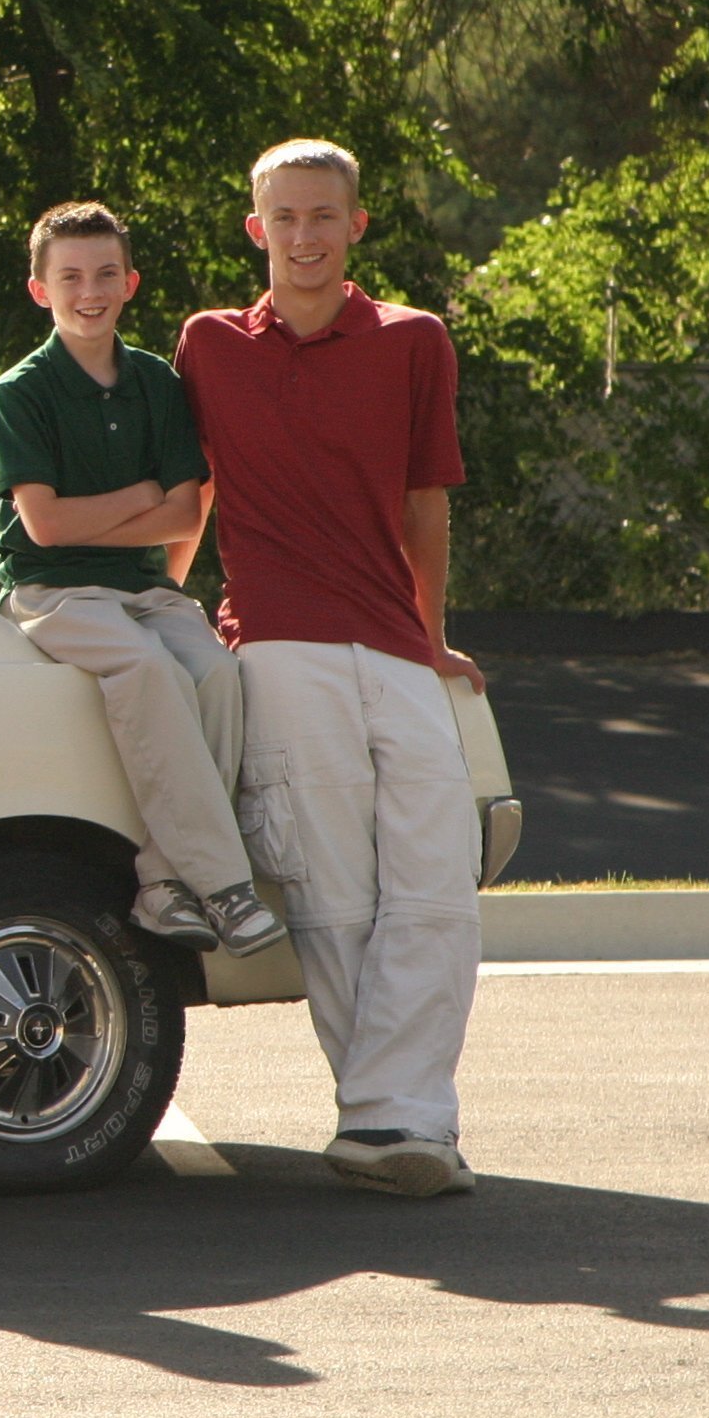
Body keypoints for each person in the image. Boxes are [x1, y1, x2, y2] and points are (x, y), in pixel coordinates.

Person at [179, 140, 486, 1199]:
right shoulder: (208, 345)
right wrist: (167, 621)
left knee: (436, 879)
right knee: (332, 888)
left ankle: (396, 1112)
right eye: (285, 217)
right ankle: (397, 1119)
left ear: (356, 225)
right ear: (256, 227)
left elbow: (424, 504)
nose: (304, 234)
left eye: (324, 215)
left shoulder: (414, 340)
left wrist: (430, 632)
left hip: (393, 642)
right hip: (274, 638)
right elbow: (191, 497)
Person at [0, 202, 285, 958]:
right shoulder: (20, 392)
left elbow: (186, 514)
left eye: (105, 274)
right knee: (147, 669)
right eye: (71, 277)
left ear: (131, 284)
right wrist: (139, 499)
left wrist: (134, 509)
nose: (89, 290)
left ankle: (161, 884)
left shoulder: (156, 382)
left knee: (216, 673)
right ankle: (225, 885)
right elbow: (44, 530)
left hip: (143, 591)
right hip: (51, 593)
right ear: (40, 290)